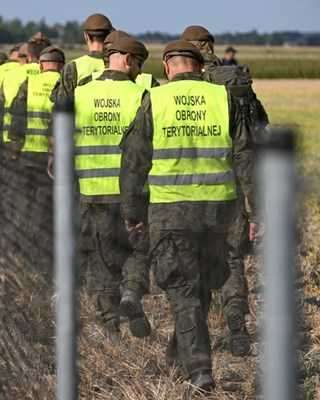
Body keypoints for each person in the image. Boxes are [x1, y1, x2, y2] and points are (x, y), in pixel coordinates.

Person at [120, 41, 256, 391]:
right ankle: (180, 358)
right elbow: (245, 156)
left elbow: (134, 161)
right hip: (218, 212)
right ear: (200, 66)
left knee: (183, 292)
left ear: (168, 67)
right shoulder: (223, 98)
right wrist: (256, 210)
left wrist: (132, 213)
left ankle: (199, 370)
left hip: (170, 211)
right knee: (202, 287)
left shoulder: (155, 100)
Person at [181, 25, 269, 357]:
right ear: (211, 47)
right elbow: (256, 136)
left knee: (191, 260)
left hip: (187, 190)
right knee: (232, 258)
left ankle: (192, 336)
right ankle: (237, 327)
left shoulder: (179, 87)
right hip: (229, 190)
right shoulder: (236, 84)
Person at [64, 36, 152, 339]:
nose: (138, 71)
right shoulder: (141, 94)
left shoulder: (80, 93)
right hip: (132, 193)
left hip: (90, 191)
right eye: (138, 64)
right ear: (127, 59)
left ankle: (110, 326)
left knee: (100, 260)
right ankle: (131, 293)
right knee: (138, 249)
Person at [50, 13, 114, 103]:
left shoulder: (73, 67)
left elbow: (62, 103)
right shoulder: (118, 64)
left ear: (86, 36)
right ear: (109, 36)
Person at [0, 37, 50, 143]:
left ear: (29, 55)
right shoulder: (57, 76)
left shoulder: (9, 75)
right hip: (48, 142)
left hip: (12, 138)